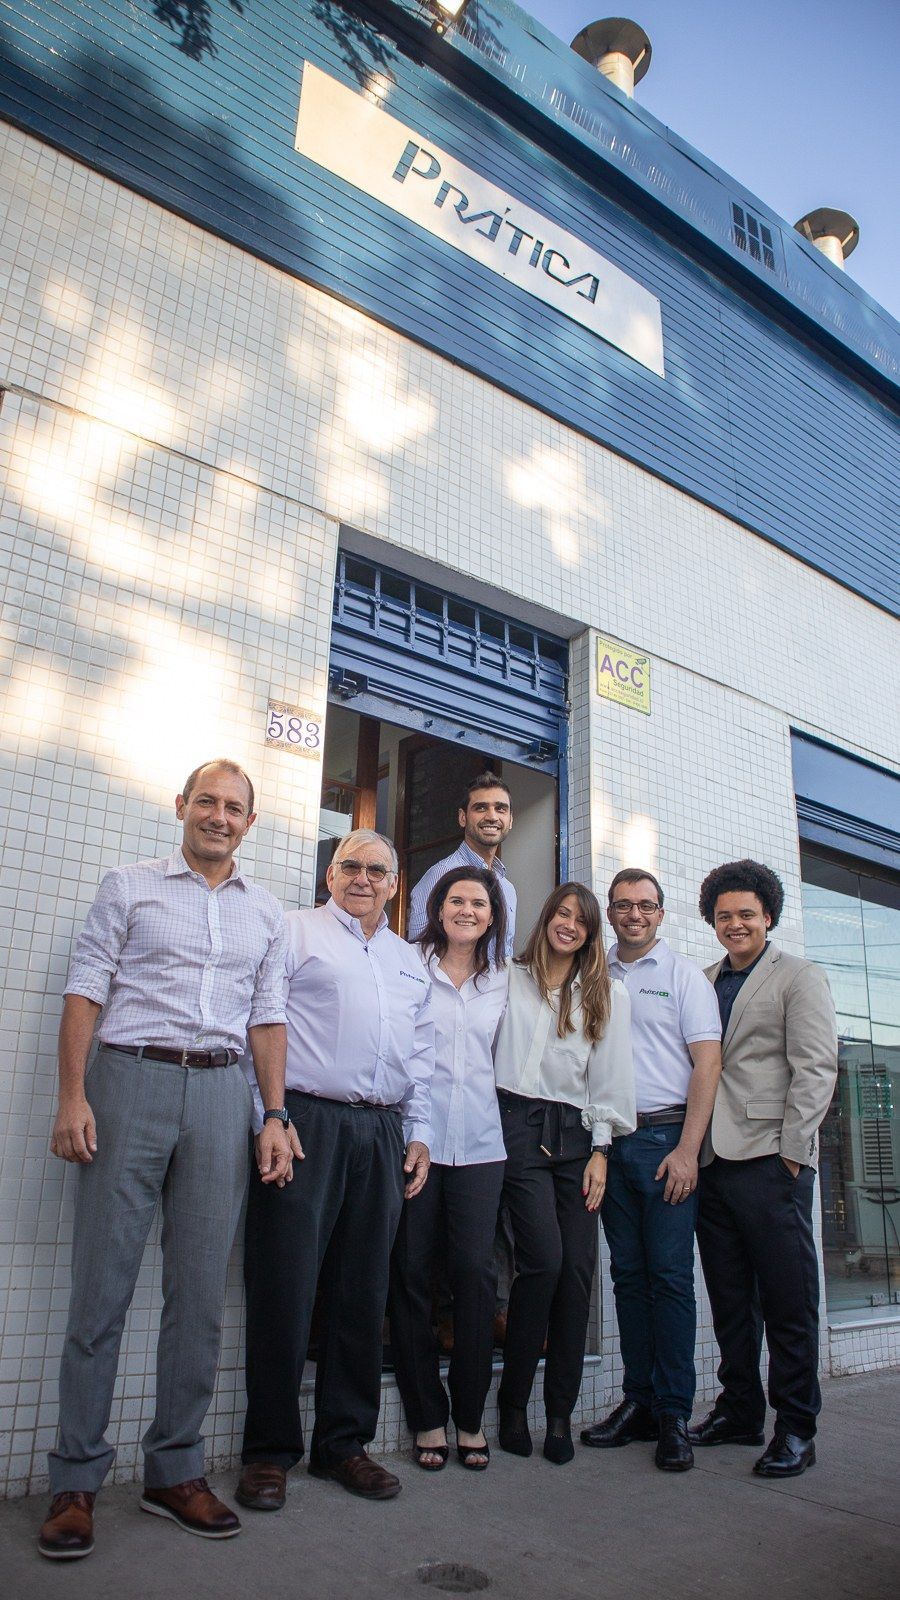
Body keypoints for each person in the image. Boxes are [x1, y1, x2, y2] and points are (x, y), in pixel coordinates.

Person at [39, 760, 295, 1561]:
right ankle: (76, 1480)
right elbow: (86, 987)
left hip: (223, 1098)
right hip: (129, 1082)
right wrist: (73, 1096)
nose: (220, 817)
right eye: (208, 802)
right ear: (181, 806)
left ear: (251, 824)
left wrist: (274, 1115)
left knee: (198, 1296)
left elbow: (267, 1021)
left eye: (235, 808)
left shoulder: (267, 915)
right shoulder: (129, 885)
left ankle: (173, 1471)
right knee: (102, 1287)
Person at [236, 829, 434, 1509]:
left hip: (382, 1129)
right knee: (284, 1287)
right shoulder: (292, 932)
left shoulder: (411, 960)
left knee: (362, 1293)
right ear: (330, 874)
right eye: (350, 865)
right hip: (305, 1125)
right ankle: (268, 1453)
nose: (363, 877)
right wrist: (271, 1114)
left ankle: (342, 1446)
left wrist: (420, 1134)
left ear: (394, 882)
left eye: (378, 869)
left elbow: (424, 1055)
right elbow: (258, 1024)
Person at [689, 859, 838, 1478]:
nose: (735, 924)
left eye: (746, 914)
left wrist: (793, 1155)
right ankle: (741, 1409)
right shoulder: (702, 979)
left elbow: (817, 1068)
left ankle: (797, 1427)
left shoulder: (797, 977)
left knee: (788, 1300)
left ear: (767, 917)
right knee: (729, 1299)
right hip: (712, 1162)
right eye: (724, 916)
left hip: (769, 1162)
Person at [580, 869, 722, 1471]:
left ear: (661, 914)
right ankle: (637, 1402)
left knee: (669, 1278)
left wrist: (688, 1149)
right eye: (622, 906)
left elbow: (706, 1063)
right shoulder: (595, 972)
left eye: (645, 906)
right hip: (613, 1140)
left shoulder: (683, 975)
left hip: (666, 1141)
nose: (634, 914)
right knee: (629, 1278)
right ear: (609, 914)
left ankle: (673, 1415)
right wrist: (598, 1145)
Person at [493, 883, 635, 1465]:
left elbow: (609, 1076)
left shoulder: (608, 994)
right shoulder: (508, 976)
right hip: (516, 1125)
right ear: (546, 918)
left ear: (591, 931)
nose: (569, 924)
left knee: (577, 1275)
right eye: (561, 913)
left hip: (578, 1137)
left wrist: (601, 1151)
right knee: (542, 1262)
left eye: (581, 919)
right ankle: (511, 1404)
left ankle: (558, 1415)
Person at [389, 867, 509, 1473]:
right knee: (410, 1273)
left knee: (474, 1275)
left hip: (484, 1147)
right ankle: (426, 1418)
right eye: (456, 900)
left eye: (478, 903)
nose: (466, 910)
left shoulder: (506, 981)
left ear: (492, 916)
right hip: (418, 1144)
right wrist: (416, 1132)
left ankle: (469, 1416)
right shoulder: (408, 966)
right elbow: (398, 1052)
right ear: (438, 909)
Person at [407, 772, 516, 957]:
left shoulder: (508, 888)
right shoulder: (440, 875)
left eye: (501, 809)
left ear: (510, 820)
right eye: (481, 808)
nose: (492, 817)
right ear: (462, 817)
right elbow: (419, 954)